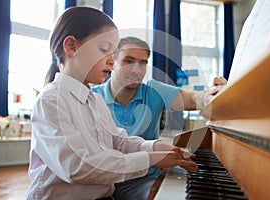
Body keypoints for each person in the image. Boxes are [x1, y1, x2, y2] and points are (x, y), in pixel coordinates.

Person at [26, 7, 198, 200]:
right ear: (72, 46)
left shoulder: (95, 100)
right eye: (104, 49)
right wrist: (151, 159)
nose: (111, 61)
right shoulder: (51, 101)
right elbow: (76, 166)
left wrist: (156, 147)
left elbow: (118, 141)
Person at [91, 37, 227, 177]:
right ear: (112, 63)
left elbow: (192, 99)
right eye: (128, 61)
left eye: (143, 63)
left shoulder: (154, 90)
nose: (136, 70)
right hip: (105, 179)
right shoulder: (92, 98)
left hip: (145, 180)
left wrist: (211, 95)